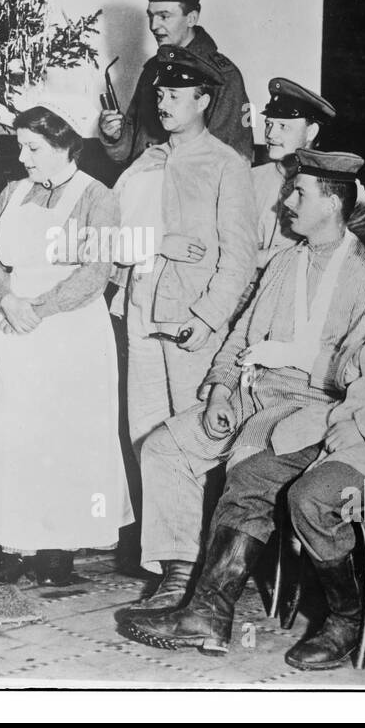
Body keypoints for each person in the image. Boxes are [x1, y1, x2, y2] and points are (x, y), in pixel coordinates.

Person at [124, 180, 365, 666]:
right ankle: (207, 612)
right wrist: (345, 394)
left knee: (312, 498)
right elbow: (347, 361)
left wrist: (363, 422)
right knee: (251, 474)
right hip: (347, 426)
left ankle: (348, 618)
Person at [119, 150, 365, 626]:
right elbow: (241, 336)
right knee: (163, 448)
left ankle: (210, 605)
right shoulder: (286, 261)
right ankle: (179, 578)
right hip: (248, 395)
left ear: (330, 204)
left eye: (299, 193)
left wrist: (291, 360)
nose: (286, 201)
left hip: (307, 411)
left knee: (247, 468)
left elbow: (361, 372)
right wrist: (221, 389)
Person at [0, 105, 134, 586]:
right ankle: (11, 544)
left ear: (65, 146)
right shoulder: (11, 192)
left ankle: (56, 550)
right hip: (8, 326)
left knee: (61, 440)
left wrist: (36, 309)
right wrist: (6, 298)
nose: (23, 157)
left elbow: (95, 273)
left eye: (33, 148)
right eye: (20, 146)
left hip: (67, 331)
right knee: (5, 436)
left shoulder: (96, 196)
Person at [110, 46, 256, 452]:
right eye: (159, 96)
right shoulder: (145, 163)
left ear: (203, 100)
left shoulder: (227, 165)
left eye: (175, 96)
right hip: (140, 314)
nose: (163, 105)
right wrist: (158, 243)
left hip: (189, 322)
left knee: (192, 440)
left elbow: (239, 259)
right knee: (144, 437)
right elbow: (109, 239)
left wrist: (208, 319)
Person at [98, 0, 252, 166]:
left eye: (164, 16)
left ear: (191, 18)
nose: (154, 26)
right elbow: (127, 150)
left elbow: (233, 162)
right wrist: (113, 135)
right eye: (151, 16)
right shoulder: (152, 69)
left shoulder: (223, 77)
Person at [252, 78, 365, 276]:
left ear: (311, 131)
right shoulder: (251, 178)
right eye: (269, 124)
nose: (270, 134)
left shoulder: (339, 185)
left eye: (283, 126)